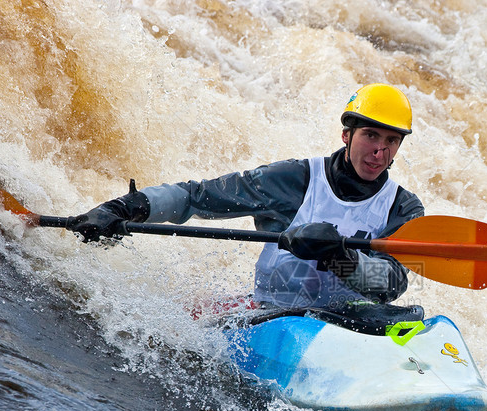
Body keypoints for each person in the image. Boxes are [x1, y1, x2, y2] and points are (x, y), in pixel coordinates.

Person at [70, 83, 424, 310]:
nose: (379, 151)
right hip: (276, 315)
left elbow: (393, 285)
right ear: (347, 135)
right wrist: (127, 207)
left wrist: (338, 258)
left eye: (391, 141)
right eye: (371, 136)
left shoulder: (403, 208)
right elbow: (199, 197)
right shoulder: (293, 179)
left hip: (353, 323)